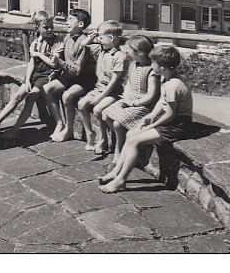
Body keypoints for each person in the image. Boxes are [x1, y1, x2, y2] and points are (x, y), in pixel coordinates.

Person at [99, 44, 193, 193]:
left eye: (153, 62)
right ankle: (116, 171)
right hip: (170, 120)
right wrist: (151, 116)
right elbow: (162, 103)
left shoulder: (173, 85)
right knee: (131, 134)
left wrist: (150, 126)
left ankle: (120, 181)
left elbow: (170, 114)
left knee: (136, 140)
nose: (151, 65)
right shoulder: (167, 78)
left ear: (162, 67)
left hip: (177, 125)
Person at [0, 10, 62, 138]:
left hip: (46, 75)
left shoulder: (57, 42)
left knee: (31, 98)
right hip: (35, 73)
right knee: (18, 96)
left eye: (51, 26)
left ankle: (15, 130)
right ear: (37, 28)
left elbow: (53, 64)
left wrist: (38, 54)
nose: (49, 30)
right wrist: (28, 80)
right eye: (46, 27)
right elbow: (31, 63)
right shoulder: (36, 43)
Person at [102, 35, 158, 164]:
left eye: (129, 50)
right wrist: (126, 97)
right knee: (105, 115)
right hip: (129, 100)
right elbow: (129, 84)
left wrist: (133, 103)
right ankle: (120, 142)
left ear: (139, 53)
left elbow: (151, 96)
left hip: (142, 105)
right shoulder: (134, 64)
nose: (127, 52)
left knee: (117, 123)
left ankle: (119, 149)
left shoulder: (151, 71)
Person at [44, 8, 97, 142]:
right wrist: (56, 71)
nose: (67, 22)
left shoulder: (84, 43)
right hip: (68, 77)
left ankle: (69, 129)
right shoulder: (68, 37)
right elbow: (65, 61)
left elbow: (77, 70)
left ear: (80, 25)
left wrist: (59, 62)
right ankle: (59, 122)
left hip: (84, 80)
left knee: (67, 96)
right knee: (47, 89)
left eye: (70, 20)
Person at [77, 20, 128, 156]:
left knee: (98, 109)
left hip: (112, 91)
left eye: (101, 37)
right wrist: (94, 35)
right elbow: (84, 44)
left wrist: (101, 96)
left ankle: (103, 138)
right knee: (81, 104)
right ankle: (90, 132)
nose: (99, 40)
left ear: (111, 38)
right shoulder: (101, 49)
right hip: (98, 87)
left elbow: (114, 81)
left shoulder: (119, 56)